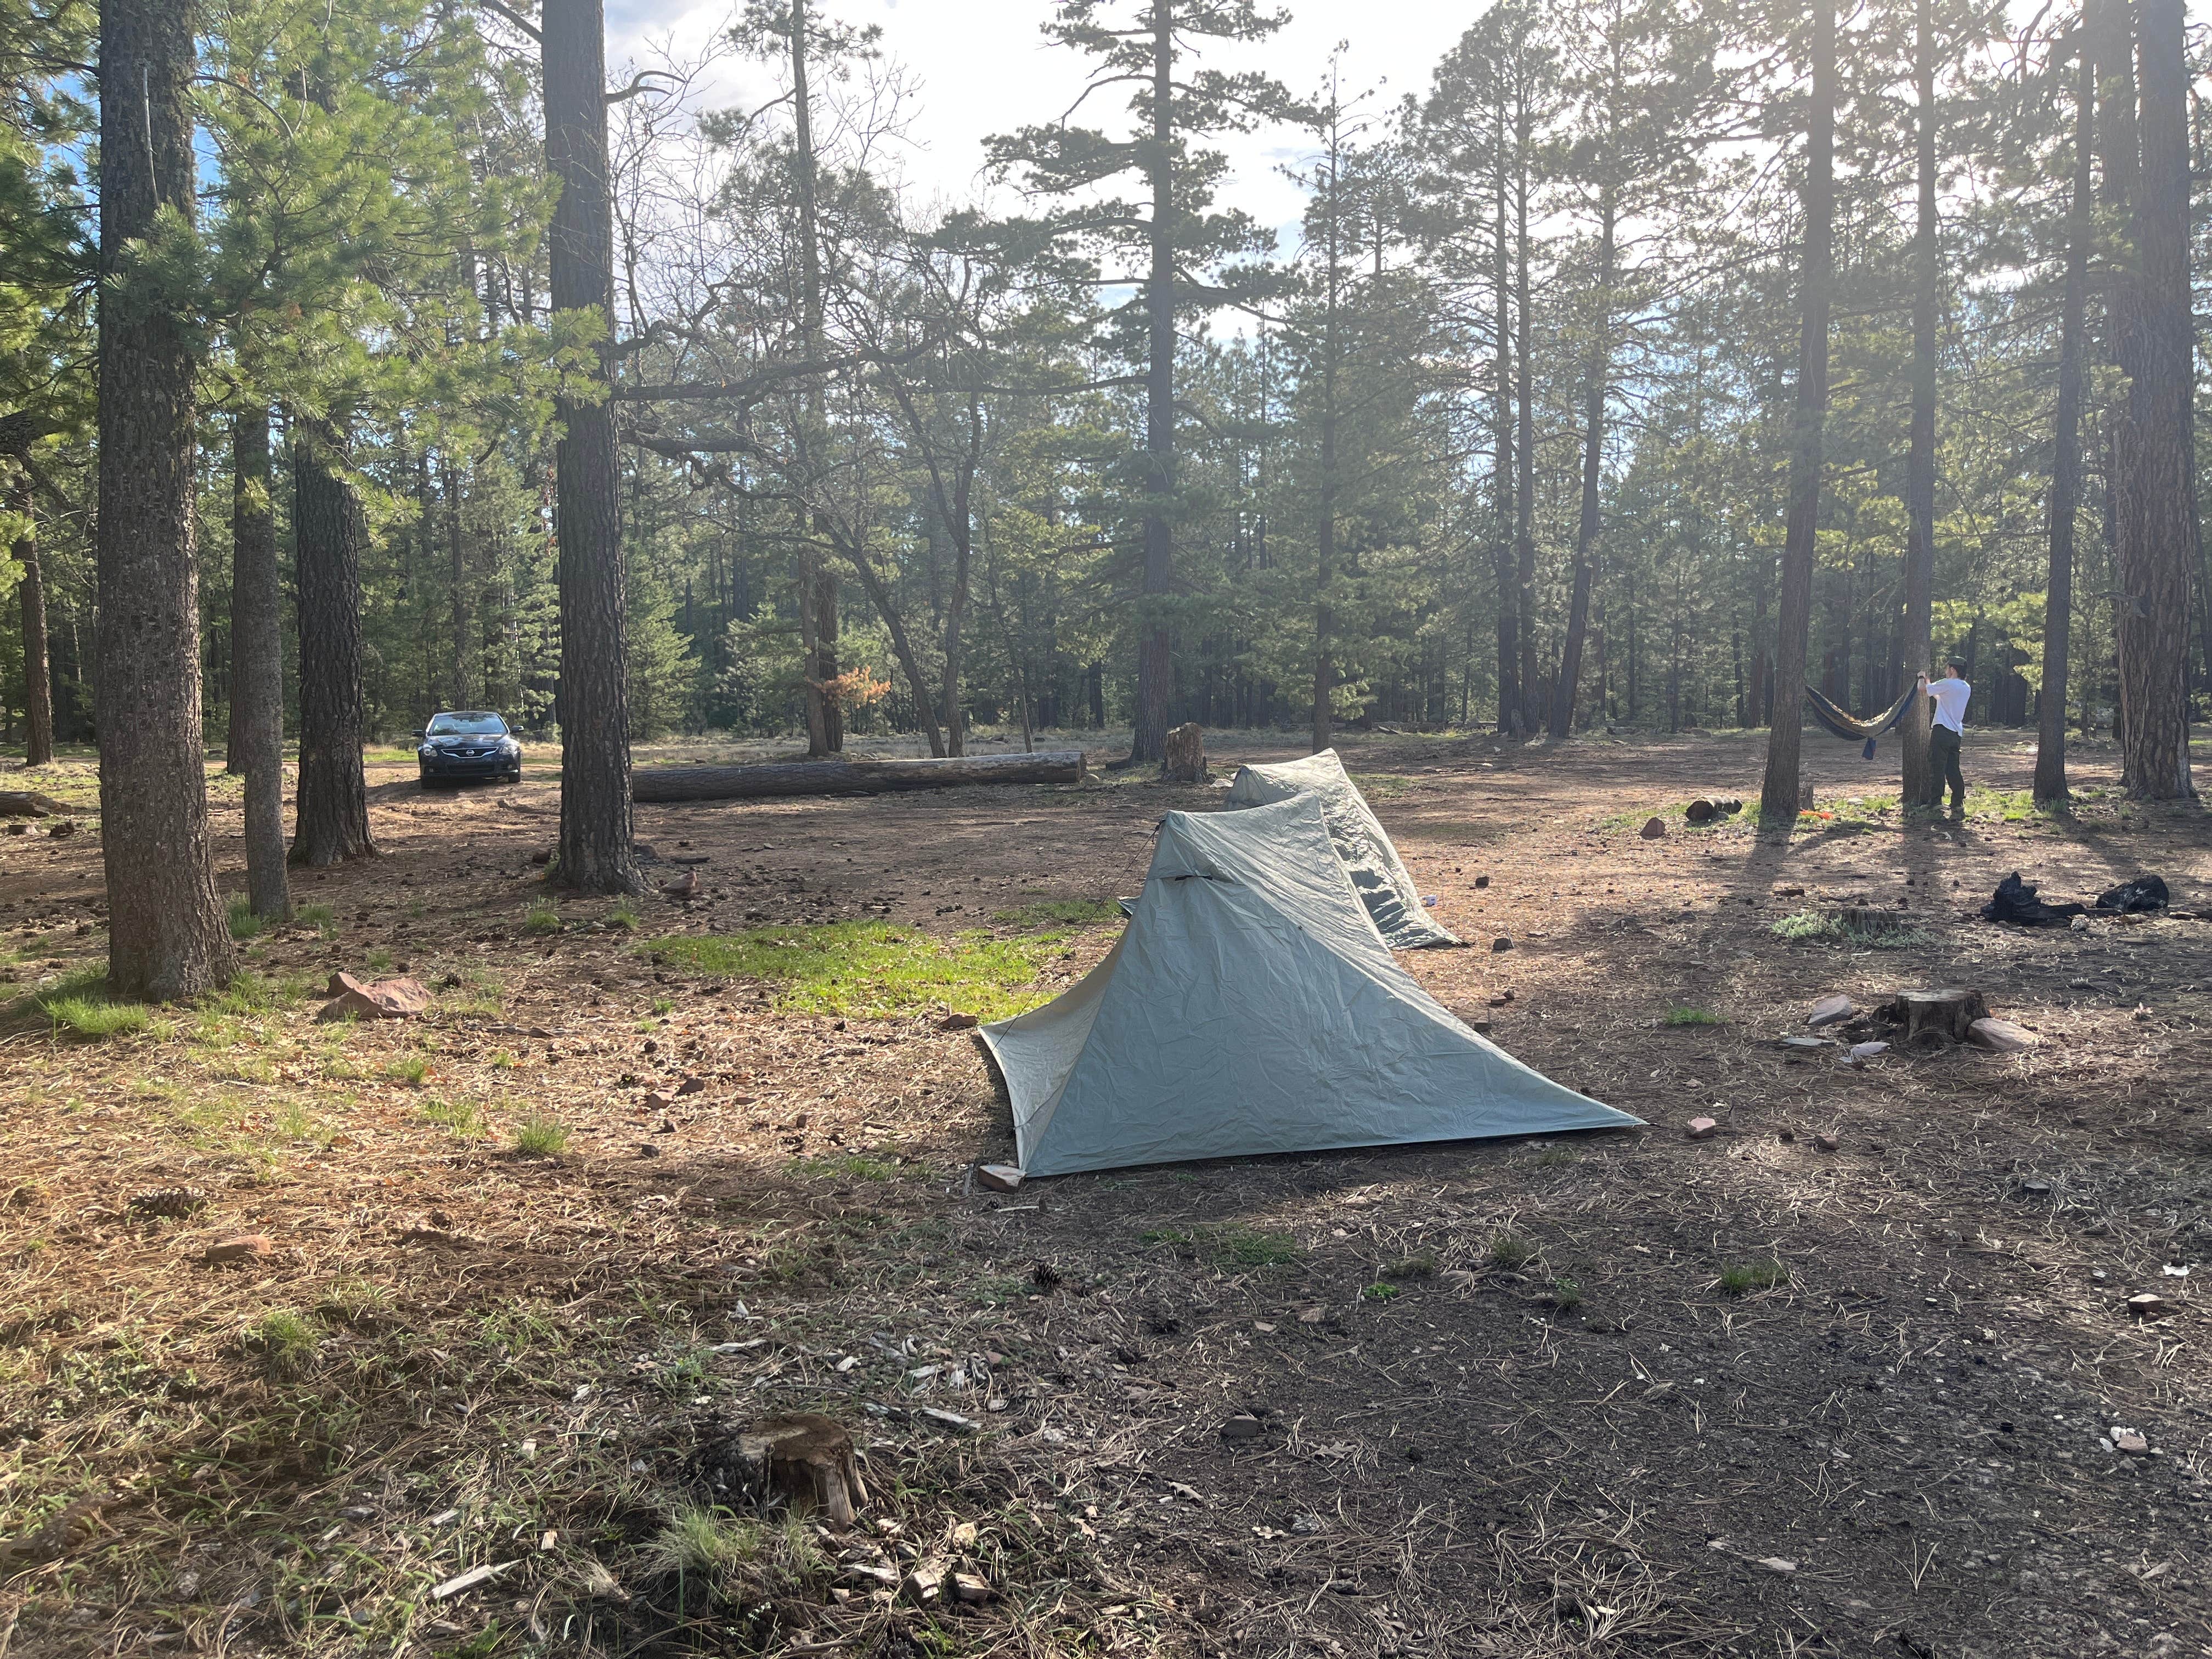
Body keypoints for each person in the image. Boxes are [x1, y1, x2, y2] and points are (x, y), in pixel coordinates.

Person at [1917, 662, 1970, 812]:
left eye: (1947, 669)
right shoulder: (1965, 687)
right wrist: (1930, 684)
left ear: (1953, 670)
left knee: (1937, 767)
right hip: (1956, 734)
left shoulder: (1947, 683)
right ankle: (1957, 802)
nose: (1946, 672)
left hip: (1942, 731)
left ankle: (1936, 802)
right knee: (1953, 769)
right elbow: (1940, 697)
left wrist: (1921, 678)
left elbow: (1922, 689)